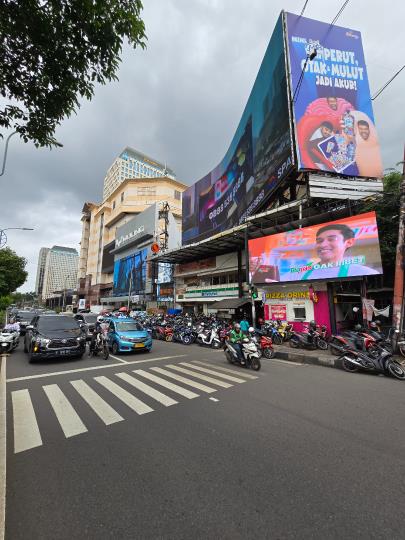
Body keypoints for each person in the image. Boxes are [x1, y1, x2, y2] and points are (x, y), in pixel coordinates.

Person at [287, 223, 380, 280]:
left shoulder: (365, 272)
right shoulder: (296, 274)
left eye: (331, 239)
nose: (323, 245)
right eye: (319, 241)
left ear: (349, 242)